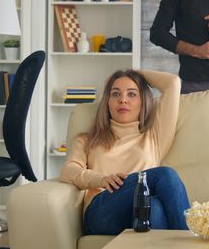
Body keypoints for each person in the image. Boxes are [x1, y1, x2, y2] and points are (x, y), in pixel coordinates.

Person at [60, 69, 190, 235]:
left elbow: (172, 83)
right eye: (115, 94)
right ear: (107, 102)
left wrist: (132, 71)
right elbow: (68, 171)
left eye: (132, 94)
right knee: (166, 175)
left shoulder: (154, 138)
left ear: (143, 102)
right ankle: (190, 242)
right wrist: (101, 179)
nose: (123, 100)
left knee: (154, 207)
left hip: (139, 211)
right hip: (102, 214)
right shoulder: (87, 140)